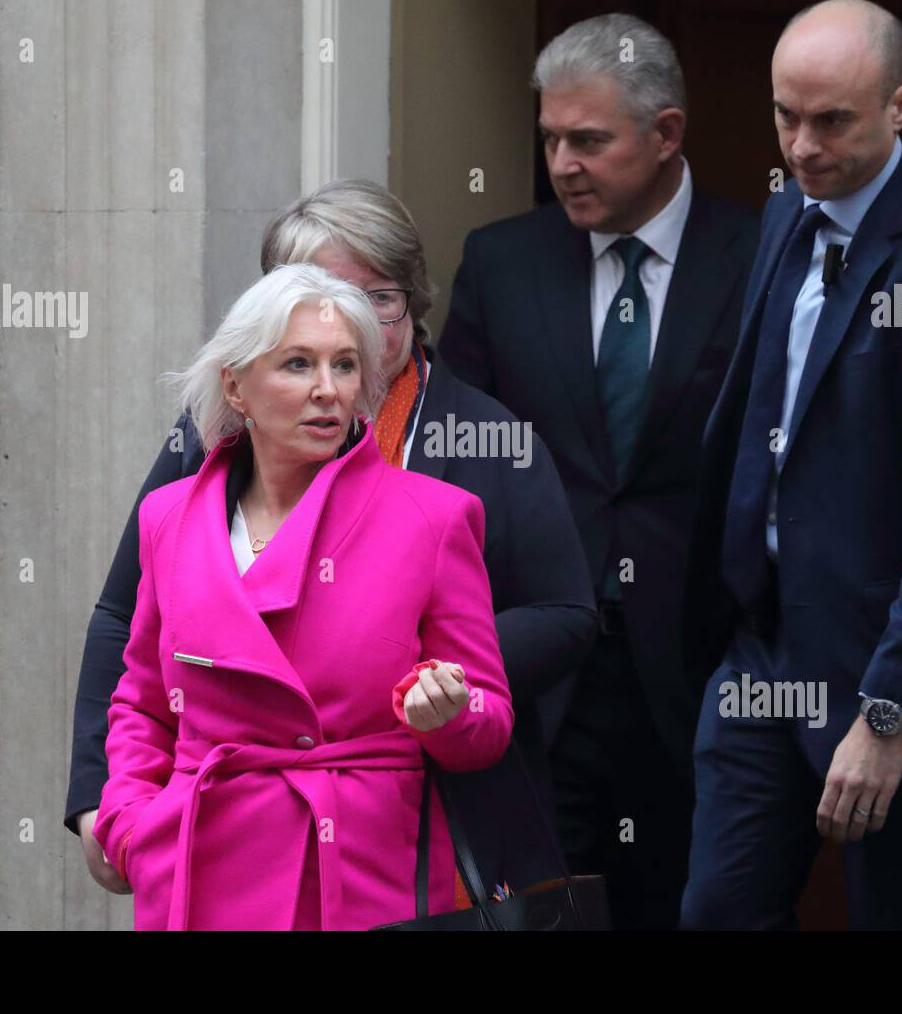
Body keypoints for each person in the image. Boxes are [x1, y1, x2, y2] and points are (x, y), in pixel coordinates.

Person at [67, 180, 595, 910]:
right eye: (313, 294)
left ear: (411, 301)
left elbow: (563, 611)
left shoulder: (481, 442)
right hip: (219, 845)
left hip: (406, 824)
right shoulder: (205, 444)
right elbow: (129, 631)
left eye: (379, 297)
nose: (353, 327)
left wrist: (401, 673)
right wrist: (112, 808)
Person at [440, 13, 758, 930]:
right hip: (543, 670)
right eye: (550, 140)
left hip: (705, 667)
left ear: (666, 134)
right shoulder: (502, 262)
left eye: (590, 140)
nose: (564, 163)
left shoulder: (760, 255)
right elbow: (455, 468)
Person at [680, 0, 902, 930]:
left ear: (899, 106)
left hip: (876, 668)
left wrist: (890, 709)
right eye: (785, 115)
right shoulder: (789, 212)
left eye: (832, 121)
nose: (802, 145)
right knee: (718, 912)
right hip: (760, 646)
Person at [91, 263, 514, 929]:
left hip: (363, 879)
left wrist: (451, 713)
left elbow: (487, 725)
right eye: (297, 364)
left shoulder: (433, 517)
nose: (327, 390)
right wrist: (129, 825)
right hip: (202, 872)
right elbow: (143, 702)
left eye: (345, 366)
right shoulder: (168, 518)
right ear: (237, 385)